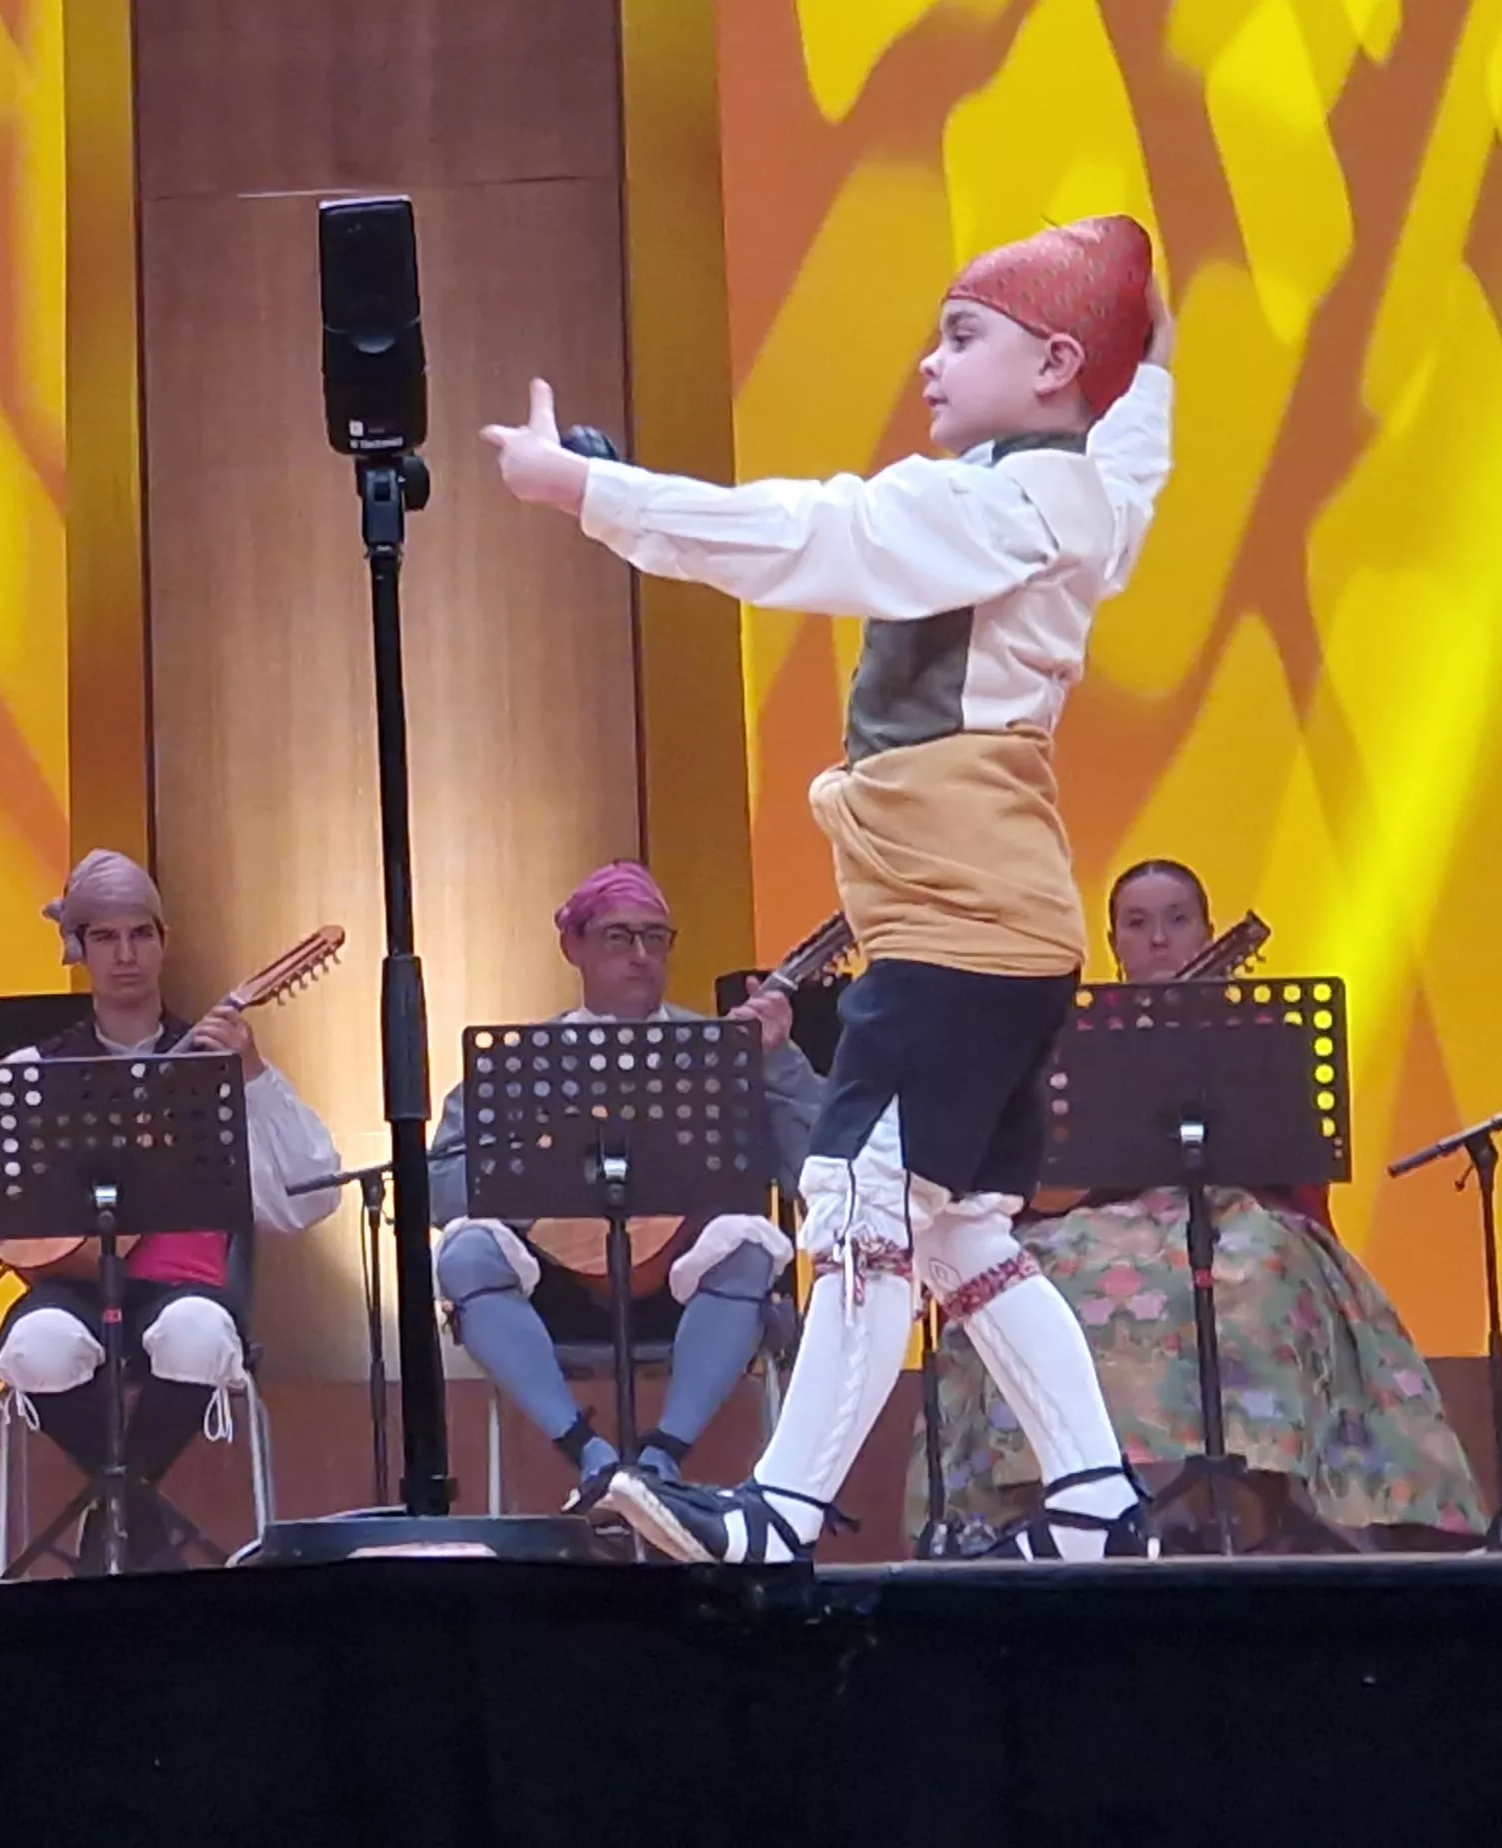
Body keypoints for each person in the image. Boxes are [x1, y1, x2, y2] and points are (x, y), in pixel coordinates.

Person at [488, 214, 1176, 1561]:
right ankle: (1098, 1507)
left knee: (862, 1208)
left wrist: (590, 497)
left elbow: (799, 536)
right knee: (961, 1231)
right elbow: (1132, 443)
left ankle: (782, 1514)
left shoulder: (987, 505)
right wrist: (1147, 358)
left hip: (961, 927)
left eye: (961, 336)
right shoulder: (1067, 492)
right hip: (988, 920)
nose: (930, 361)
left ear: (1049, 366)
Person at [917, 860, 1485, 1547]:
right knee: (1042, 1277)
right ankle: (1084, 1504)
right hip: (1090, 1220)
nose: (1159, 939)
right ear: (1114, 944)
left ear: (1208, 932)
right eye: (1138, 923)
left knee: (1257, 1266)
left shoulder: (1262, 1030)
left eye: (1177, 919)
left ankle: (1258, 1500)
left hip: (1231, 1209)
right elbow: (1039, 1182)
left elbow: (1293, 1161)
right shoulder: (1064, 1040)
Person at [0, 850, 341, 1572]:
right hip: (70, 1288)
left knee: (199, 1334)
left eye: (140, 934)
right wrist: (27, 1204)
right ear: (78, 951)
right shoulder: (37, 1072)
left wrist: (255, 1075)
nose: (125, 954)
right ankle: (139, 1518)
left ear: (164, 941)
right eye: (104, 938)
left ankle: (115, 1512)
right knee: (37, 1347)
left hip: (183, 1286)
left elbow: (311, 1193)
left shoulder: (214, 1064)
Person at [427, 862, 815, 1504]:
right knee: (465, 1253)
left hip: (685, 1285)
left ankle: (663, 1459)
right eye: (617, 937)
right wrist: (533, 1199)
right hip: (553, 1291)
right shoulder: (519, 1064)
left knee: (749, 1248)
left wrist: (780, 1063)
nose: (640, 956)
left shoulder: (722, 1048)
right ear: (572, 946)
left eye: (655, 938)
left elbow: (818, 1171)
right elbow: (441, 1182)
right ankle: (591, 1455)